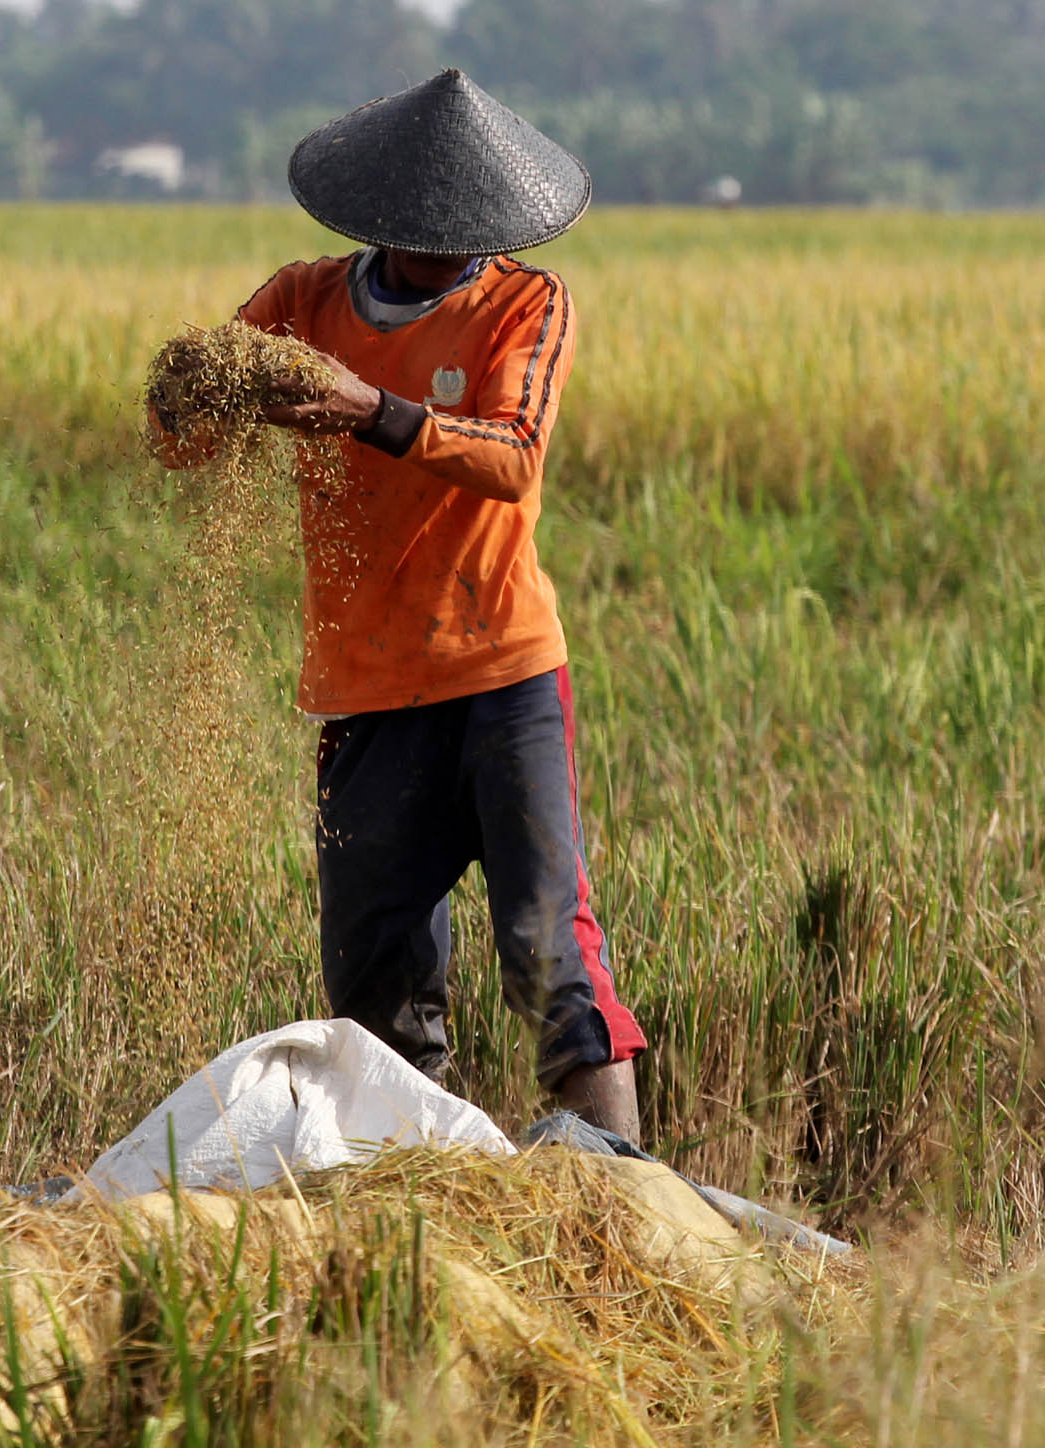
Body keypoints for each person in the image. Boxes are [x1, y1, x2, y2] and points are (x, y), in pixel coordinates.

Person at [151, 70, 647, 1143]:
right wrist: (184, 392)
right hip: (365, 691)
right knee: (373, 991)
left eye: (459, 230)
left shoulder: (524, 303)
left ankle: (627, 1191)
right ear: (376, 215)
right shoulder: (300, 302)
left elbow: (513, 460)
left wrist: (368, 409)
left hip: (501, 675)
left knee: (552, 955)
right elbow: (189, 435)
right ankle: (406, 1195)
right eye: (419, 227)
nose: (439, 246)